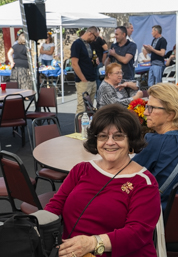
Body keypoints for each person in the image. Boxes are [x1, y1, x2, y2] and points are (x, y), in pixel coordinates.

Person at [45, 104, 161, 257]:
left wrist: (92, 243)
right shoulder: (81, 170)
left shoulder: (144, 183)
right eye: (103, 136)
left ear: (130, 140)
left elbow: (137, 233)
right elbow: (55, 205)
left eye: (118, 136)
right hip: (72, 252)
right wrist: (36, 225)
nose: (110, 142)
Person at [71, 26, 99, 114]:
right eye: (95, 37)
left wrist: (94, 61)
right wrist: (83, 79)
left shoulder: (88, 44)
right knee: (82, 108)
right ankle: (79, 127)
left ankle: (88, 127)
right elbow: (74, 63)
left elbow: (86, 60)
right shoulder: (77, 44)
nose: (95, 40)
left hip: (91, 78)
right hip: (84, 80)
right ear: (90, 34)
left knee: (90, 108)